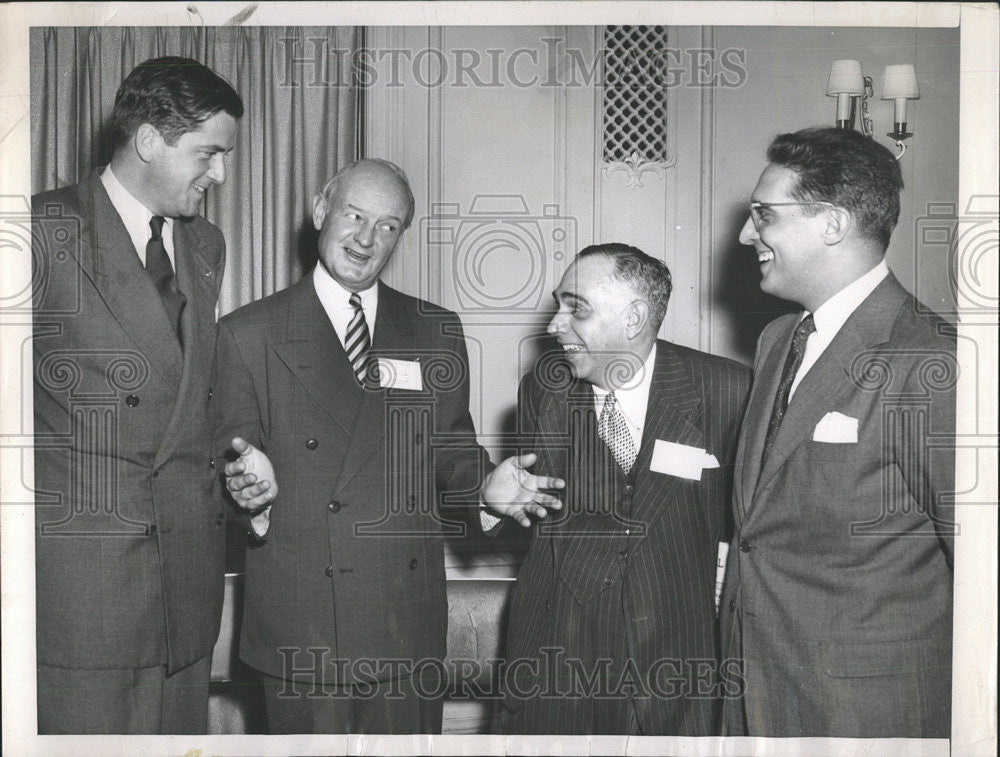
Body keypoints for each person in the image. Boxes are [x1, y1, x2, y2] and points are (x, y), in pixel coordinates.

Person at [213, 158, 561, 734]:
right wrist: (249, 496)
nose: (366, 238)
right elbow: (223, 467)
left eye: (388, 225)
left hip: (404, 620)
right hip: (304, 622)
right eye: (354, 215)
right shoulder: (249, 333)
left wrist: (485, 484)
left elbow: (449, 445)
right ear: (322, 211)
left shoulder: (436, 329)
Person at [719, 127, 956, 737]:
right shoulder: (778, 341)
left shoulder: (930, 359)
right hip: (754, 692)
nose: (748, 235)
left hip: (864, 714)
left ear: (832, 223)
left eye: (764, 216)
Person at [31, 57, 243, 733]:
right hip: (85, 595)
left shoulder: (205, 244)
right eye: (208, 154)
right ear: (149, 140)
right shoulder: (40, 230)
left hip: (188, 590)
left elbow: (192, 395)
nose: (220, 175)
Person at [486, 244, 752, 734]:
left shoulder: (728, 391)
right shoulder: (542, 392)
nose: (554, 325)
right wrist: (491, 502)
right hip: (560, 658)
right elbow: (540, 522)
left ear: (634, 318)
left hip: (682, 667)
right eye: (558, 304)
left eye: (576, 307)